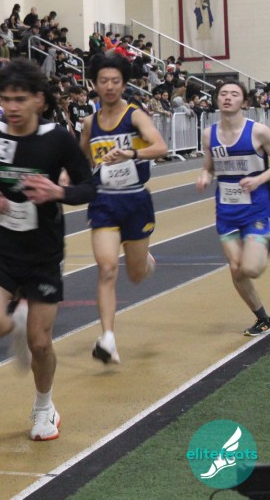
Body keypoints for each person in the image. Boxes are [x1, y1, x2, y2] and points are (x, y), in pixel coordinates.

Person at [0, 60, 96, 442]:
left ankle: (44, 408)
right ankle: (17, 322)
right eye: (5, 99)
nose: (11, 107)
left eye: (20, 99)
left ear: (39, 100)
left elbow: (90, 187)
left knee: (40, 344)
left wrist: (58, 192)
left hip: (42, 253)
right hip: (0, 248)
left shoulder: (57, 139)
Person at [81, 56, 166, 364]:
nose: (109, 86)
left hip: (135, 201)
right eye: (103, 81)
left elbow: (161, 147)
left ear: (124, 84)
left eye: (115, 81)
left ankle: (144, 260)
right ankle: (108, 338)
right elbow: (81, 157)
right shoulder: (89, 123)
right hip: (104, 201)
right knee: (106, 269)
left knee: (136, 274)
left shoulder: (135, 115)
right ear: (94, 84)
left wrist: (130, 153)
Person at [196, 80, 270, 336]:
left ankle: (266, 239)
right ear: (217, 99)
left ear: (244, 102)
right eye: (223, 93)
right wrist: (205, 176)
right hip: (227, 212)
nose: (227, 97)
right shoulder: (209, 134)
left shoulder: (259, 132)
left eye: (234, 94)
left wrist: (259, 179)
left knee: (251, 268)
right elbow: (209, 167)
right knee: (237, 269)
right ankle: (262, 318)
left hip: (257, 209)